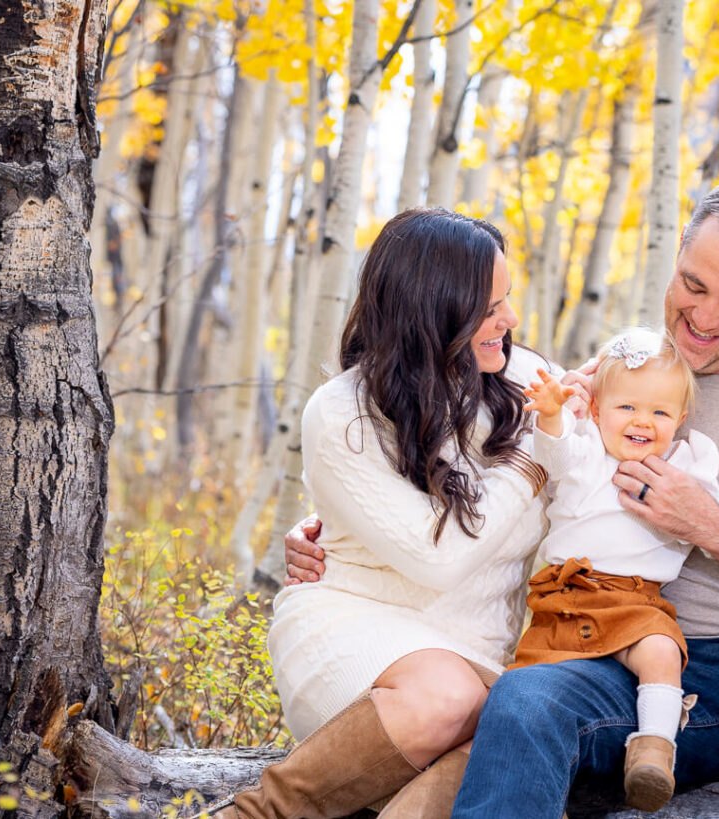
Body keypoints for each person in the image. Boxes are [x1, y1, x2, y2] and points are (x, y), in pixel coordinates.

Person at [287, 183, 719, 817]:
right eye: (693, 286)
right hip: (621, 664)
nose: (703, 318)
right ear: (676, 256)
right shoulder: (608, 375)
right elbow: (503, 471)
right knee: (523, 698)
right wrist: (334, 531)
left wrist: (714, 530)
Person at [202, 207, 554, 819]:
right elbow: (436, 559)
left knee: (520, 724)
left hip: (479, 655)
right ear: (435, 310)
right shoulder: (344, 413)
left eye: (508, 299)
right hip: (356, 630)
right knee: (452, 702)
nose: (511, 321)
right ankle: (258, 813)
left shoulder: (527, 382)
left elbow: (629, 435)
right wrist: (529, 466)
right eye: (490, 307)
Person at [512, 326, 719, 812]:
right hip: (567, 599)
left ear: (680, 417)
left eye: (659, 412)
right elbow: (555, 454)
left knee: (662, 650)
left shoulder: (687, 463)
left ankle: (654, 751)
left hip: (637, 600)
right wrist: (551, 413)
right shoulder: (587, 449)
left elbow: (714, 512)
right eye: (627, 408)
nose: (643, 422)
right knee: (525, 693)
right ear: (595, 410)